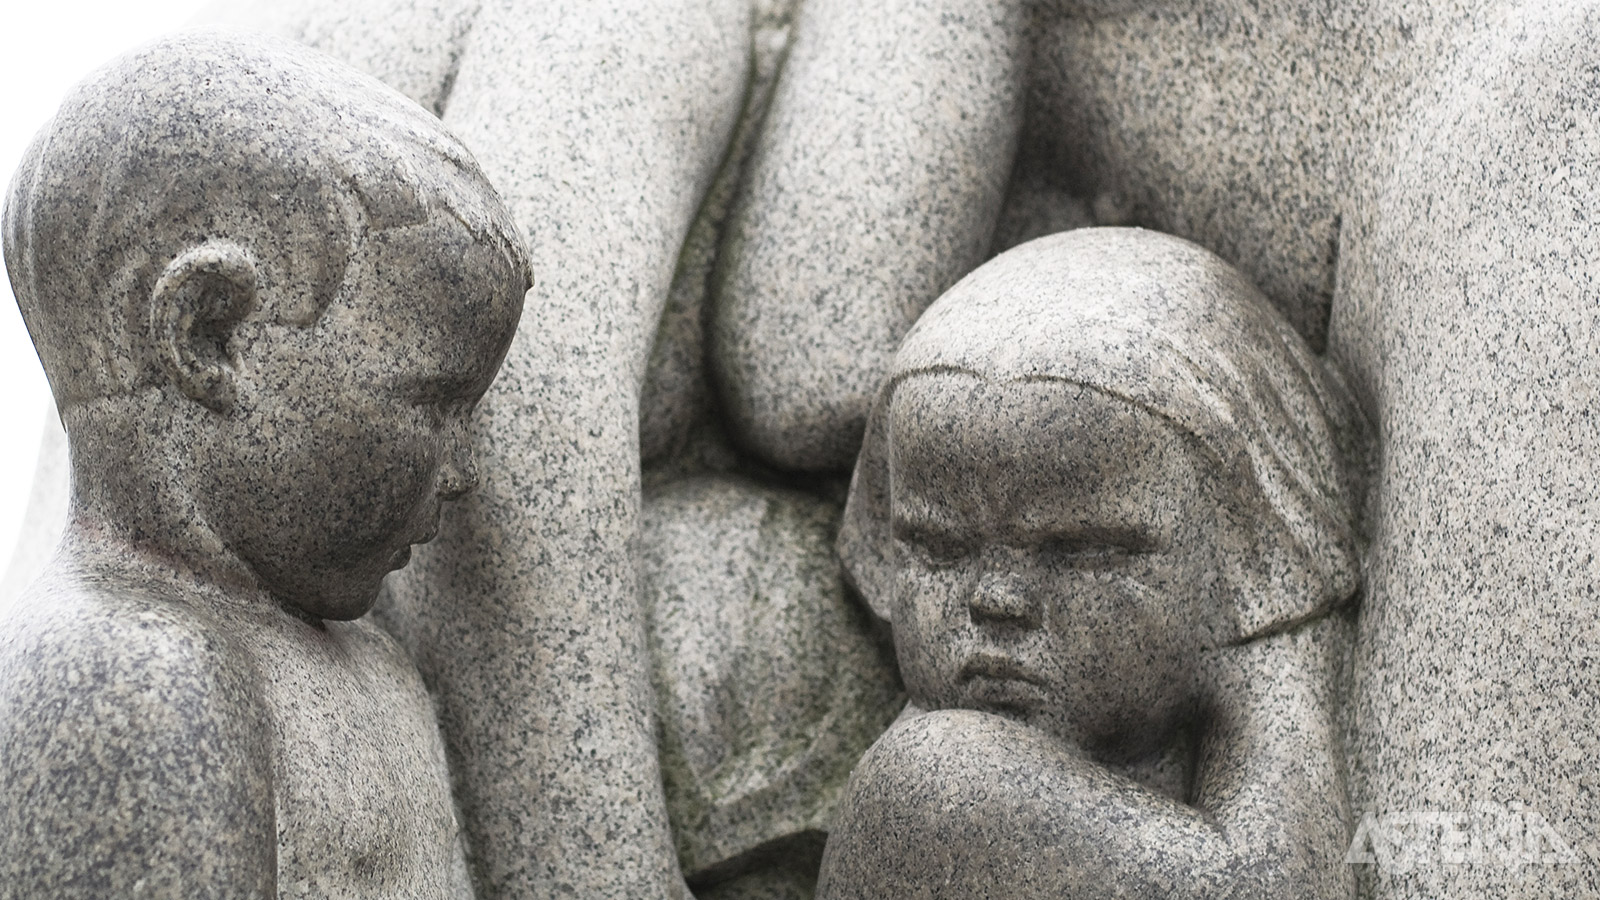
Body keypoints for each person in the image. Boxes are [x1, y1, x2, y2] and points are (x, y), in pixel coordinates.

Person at [0, 30, 529, 898]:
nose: (464, 471)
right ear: (210, 334)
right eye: (433, 403)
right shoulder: (130, 677)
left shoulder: (364, 664)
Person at [821, 228, 1367, 899]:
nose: (996, 599)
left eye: (1082, 552)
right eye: (938, 548)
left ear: (1242, 563)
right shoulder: (935, 787)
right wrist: (1277, 665)